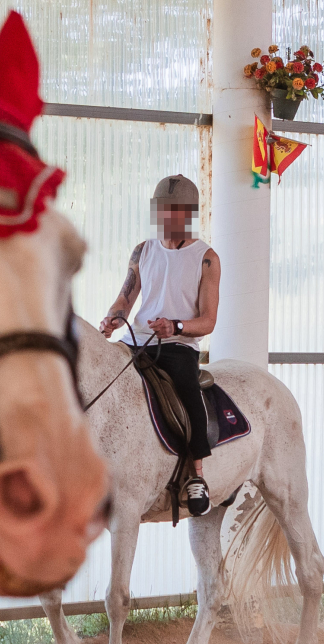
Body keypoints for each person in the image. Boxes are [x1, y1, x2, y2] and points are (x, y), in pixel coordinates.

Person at [98, 174, 221, 516]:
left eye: (176, 212)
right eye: (163, 211)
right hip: (134, 340)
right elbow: (125, 297)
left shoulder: (206, 258)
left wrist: (177, 326)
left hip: (177, 345)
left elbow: (208, 321)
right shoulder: (143, 250)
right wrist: (111, 318)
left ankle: (196, 475)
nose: (168, 219)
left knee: (186, 387)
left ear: (189, 214)